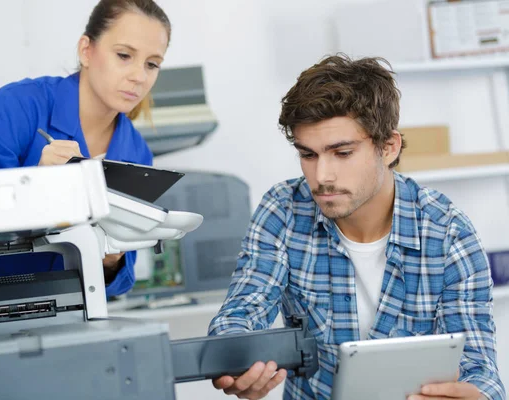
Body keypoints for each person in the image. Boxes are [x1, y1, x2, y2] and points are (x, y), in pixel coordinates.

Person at [209, 55, 505, 400]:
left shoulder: (448, 232)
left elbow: (479, 367)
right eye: (308, 155)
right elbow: (245, 305)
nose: (321, 177)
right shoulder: (284, 209)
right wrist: (237, 358)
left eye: (343, 153)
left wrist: (478, 396)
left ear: (388, 147)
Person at [0, 0, 171, 298]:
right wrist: (36, 188)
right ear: (86, 50)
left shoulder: (137, 154)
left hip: (50, 308)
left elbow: (119, 279)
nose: (139, 76)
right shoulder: (17, 108)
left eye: (152, 64)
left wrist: (112, 258)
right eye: (124, 55)